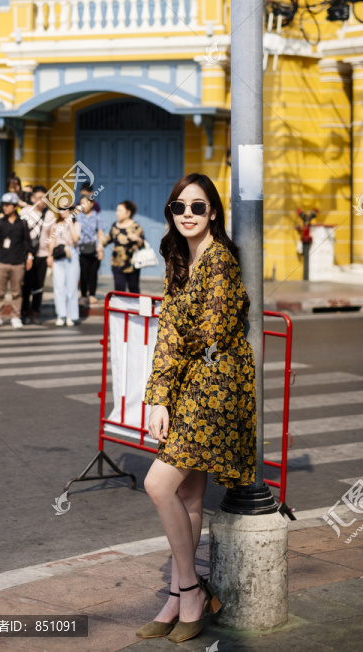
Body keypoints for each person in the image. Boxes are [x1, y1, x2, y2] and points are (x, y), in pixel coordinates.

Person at [136, 173, 255, 643]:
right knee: (186, 496)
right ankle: (177, 595)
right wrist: (160, 395)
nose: (187, 215)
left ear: (214, 214)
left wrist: (165, 392)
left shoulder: (221, 261)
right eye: (178, 208)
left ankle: (190, 588)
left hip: (217, 385)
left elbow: (212, 335)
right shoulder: (178, 259)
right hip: (188, 383)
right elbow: (168, 332)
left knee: (157, 483)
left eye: (197, 207)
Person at [0, 192, 33, 328]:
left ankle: (15, 316)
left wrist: (29, 257)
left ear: (15, 207)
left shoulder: (23, 223)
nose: (5, 208)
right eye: (4, 205)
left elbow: (27, 242)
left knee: (17, 292)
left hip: (18, 262)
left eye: (8, 205)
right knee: (0, 292)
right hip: (1, 261)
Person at [20, 185, 56, 324]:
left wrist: (50, 255)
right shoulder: (24, 213)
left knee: (39, 284)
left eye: (44, 198)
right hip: (26, 255)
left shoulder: (50, 214)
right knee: (26, 284)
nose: (42, 201)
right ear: (32, 198)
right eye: (39, 198)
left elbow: (52, 236)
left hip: (42, 254)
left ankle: (36, 310)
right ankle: (24, 311)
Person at [100, 200, 145, 294]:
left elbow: (143, 244)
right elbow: (106, 241)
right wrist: (99, 237)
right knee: (119, 289)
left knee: (134, 288)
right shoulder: (115, 226)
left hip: (132, 264)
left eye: (120, 211)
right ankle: (120, 308)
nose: (117, 213)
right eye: (117, 211)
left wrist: (137, 239)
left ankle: (135, 308)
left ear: (128, 213)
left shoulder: (136, 227)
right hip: (117, 264)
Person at [47, 205, 80, 326]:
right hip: (59, 255)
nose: (62, 212)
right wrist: (50, 256)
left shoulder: (76, 224)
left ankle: (72, 315)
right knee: (59, 287)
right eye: (60, 209)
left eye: (65, 209)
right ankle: (61, 314)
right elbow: (52, 241)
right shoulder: (55, 225)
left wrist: (70, 222)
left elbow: (76, 239)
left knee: (71, 288)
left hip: (71, 254)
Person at [76, 194, 104, 305]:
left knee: (93, 273)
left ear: (92, 204)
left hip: (95, 248)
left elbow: (100, 232)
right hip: (81, 249)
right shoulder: (77, 216)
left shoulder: (97, 216)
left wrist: (100, 248)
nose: (83, 205)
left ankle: (92, 294)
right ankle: (83, 295)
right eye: (81, 203)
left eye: (86, 203)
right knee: (83, 273)